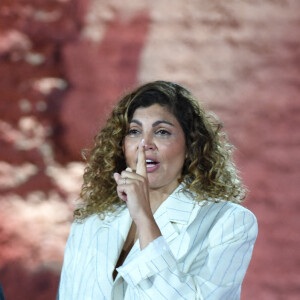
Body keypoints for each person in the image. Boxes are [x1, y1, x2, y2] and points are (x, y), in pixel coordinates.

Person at [58, 80, 258, 299]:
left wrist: (144, 218)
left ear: (191, 145)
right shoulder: (90, 222)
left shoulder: (229, 222)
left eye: (162, 132)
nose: (145, 143)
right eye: (134, 131)